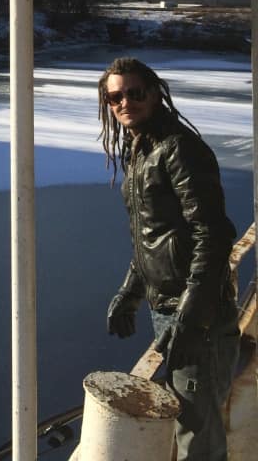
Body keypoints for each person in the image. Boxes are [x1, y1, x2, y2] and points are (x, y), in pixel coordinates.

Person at [99, 57, 239, 461]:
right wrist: (130, 293)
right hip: (172, 313)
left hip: (199, 316)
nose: (124, 102)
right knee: (191, 417)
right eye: (115, 97)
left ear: (156, 93)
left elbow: (212, 235)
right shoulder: (142, 149)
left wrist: (192, 317)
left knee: (198, 432)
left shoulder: (179, 149)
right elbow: (154, 241)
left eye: (135, 93)